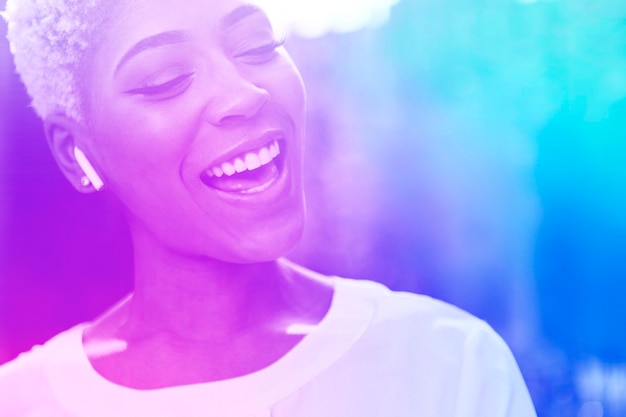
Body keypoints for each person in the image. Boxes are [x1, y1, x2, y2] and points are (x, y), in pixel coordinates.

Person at [0, 0, 537, 415]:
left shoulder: (448, 363)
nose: (245, 93)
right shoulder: (21, 403)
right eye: (167, 79)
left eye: (258, 45)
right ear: (76, 152)